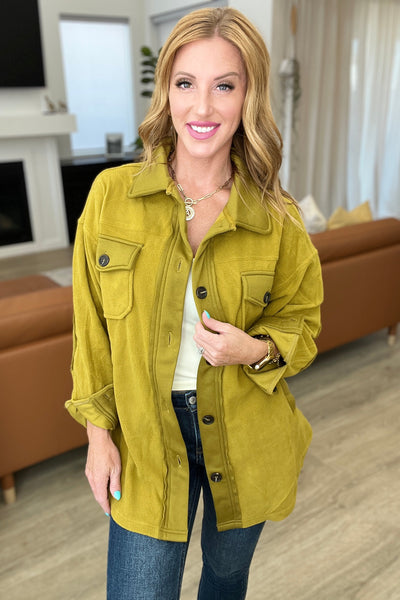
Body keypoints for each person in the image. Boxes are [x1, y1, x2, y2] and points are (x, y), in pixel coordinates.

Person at [66, 7, 323, 599]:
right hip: (146, 437)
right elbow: (90, 330)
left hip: (246, 433)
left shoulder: (277, 218)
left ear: (248, 97)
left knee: (226, 579)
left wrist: (253, 349)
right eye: (186, 83)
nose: (202, 108)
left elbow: (303, 323)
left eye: (224, 86)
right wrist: (99, 436)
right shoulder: (110, 197)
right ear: (167, 91)